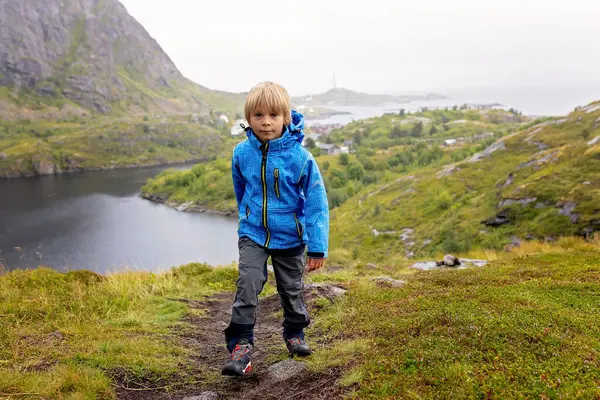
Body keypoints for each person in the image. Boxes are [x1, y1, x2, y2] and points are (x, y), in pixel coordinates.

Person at [221, 82, 329, 376]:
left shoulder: (300, 158)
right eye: (257, 115)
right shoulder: (241, 153)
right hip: (253, 233)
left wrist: (317, 246)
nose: (265, 122)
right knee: (248, 284)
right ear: (249, 118)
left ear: (286, 118)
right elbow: (241, 189)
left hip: (291, 237)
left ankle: (295, 333)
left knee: (291, 290)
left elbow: (317, 204)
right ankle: (241, 346)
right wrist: (247, 216)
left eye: (273, 115)